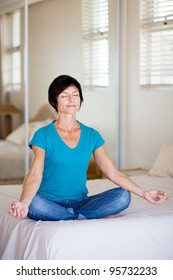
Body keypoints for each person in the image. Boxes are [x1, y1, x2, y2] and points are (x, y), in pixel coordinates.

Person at [9, 75, 168, 221]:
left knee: (122, 196)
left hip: (81, 202)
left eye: (75, 94)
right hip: (49, 201)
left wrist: (144, 193)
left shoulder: (92, 135)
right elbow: (35, 173)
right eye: (64, 95)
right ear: (54, 101)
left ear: (80, 99)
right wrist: (24, 202)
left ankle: (71, 216)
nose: (71, 99)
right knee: (34, 204)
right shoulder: (42, 135)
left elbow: (112, 172)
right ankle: (84, 217)